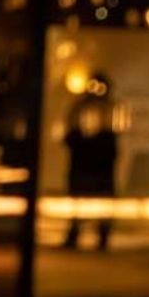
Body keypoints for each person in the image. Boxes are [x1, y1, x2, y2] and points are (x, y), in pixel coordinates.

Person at [61, 72, 121, 250]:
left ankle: (102, 235)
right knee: (78, 200)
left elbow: (113, 138)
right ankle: (74, 232)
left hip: (100, 166)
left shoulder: (111, 109)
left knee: (102, 201)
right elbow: (70, 134)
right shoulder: (78, 108)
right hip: (82, 164)